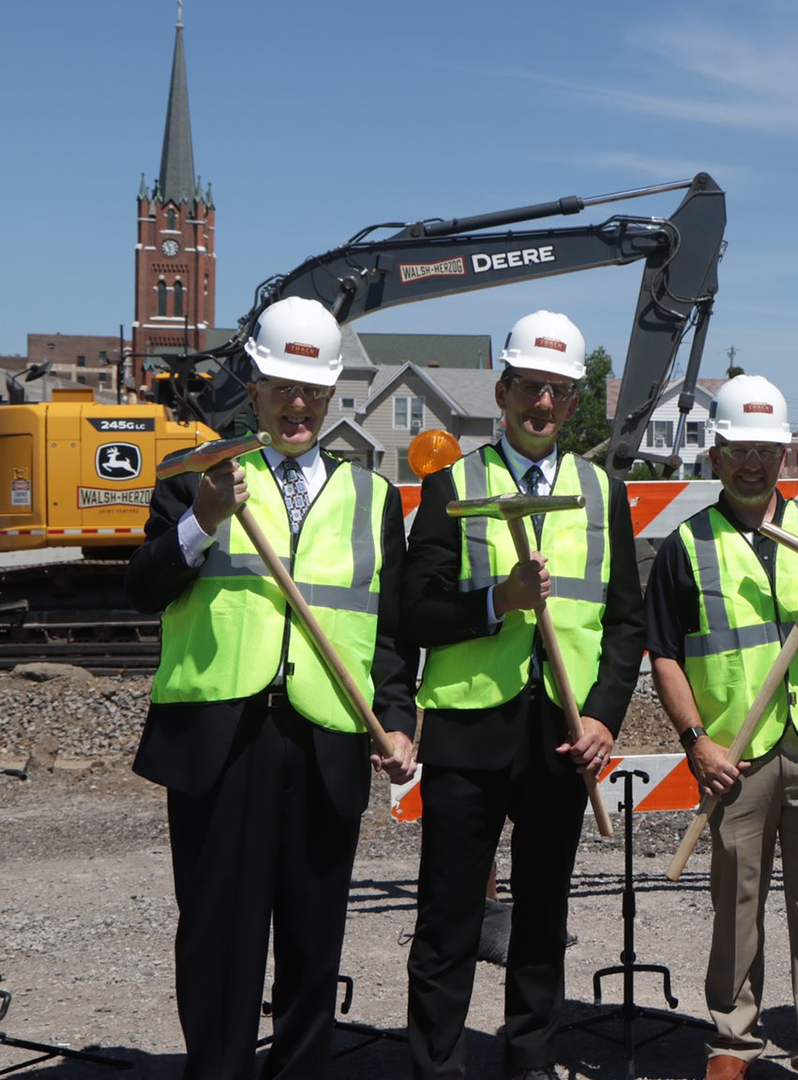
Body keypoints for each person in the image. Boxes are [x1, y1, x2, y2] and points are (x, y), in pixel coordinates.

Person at [127, 295, 416, 1080]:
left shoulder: (373, 498)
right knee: (219, 941)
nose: (298, 405)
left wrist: (397, 720)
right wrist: (203, 523)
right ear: (253, 387)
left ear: (331, 395)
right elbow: (143, 588)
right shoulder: (197, 477)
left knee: (314, 945)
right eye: (283, 387)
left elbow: (388, 634)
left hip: (326, 742)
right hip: (224, 747)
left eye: (313, 391)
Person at [403, 310, 645, 1080]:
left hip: (563, 734)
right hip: (469, 732)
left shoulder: (602, 492)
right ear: (502, 391)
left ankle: (529, 1063)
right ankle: (438, 1068)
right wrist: (494, 603)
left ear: (574, 403)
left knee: (543, 917)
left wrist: (604, 715)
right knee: (448, 920)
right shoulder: (453, 485)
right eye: (531, 387)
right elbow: (413, 613)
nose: (544, 404)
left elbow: (625, 622)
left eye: (560, 392)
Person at [646, 374, 798, 1080]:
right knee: (736, 902)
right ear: (716, 454)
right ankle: (733, 1042)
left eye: (766, 451)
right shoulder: (687, 545)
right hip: (733, 754)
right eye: (739, 449)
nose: (752, 463)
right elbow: (666, 656)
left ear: (784, 455)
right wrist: (694, 742)